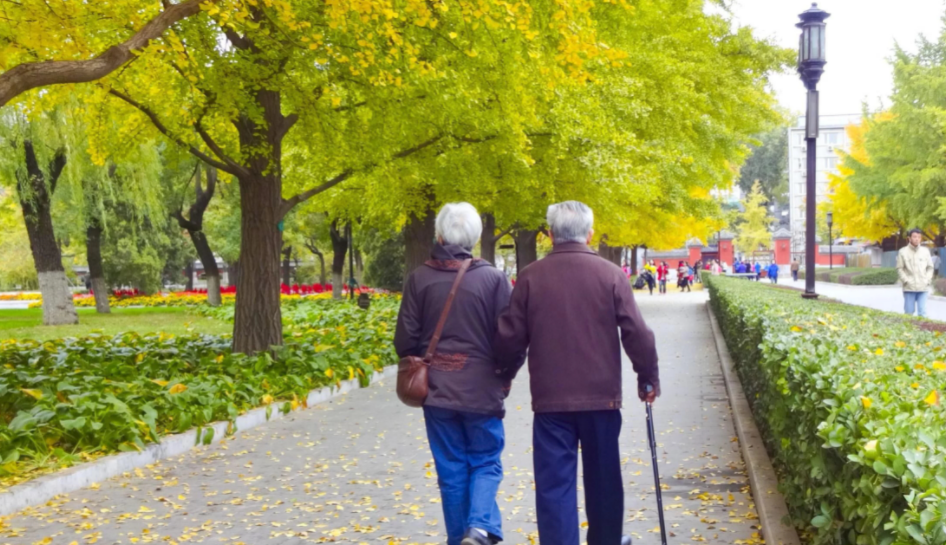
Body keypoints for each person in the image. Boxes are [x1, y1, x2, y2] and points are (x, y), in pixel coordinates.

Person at [495, 201, 659, 545]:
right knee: (604, 481)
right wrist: (647, 377)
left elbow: (511, 337)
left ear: (551, 234)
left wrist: (504, 373)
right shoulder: (611, 274)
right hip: (602, 399)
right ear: (590, 233)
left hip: (551, 401)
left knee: (555, 486)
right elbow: (637, 333)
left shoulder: (530, 277)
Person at [394, 202, 522, 545]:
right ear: (476, 237)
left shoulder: (419, 278)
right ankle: (480, 528)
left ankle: (462, 539)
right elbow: (510, 338)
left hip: (436, 390)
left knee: (451, 472)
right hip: (481, 389)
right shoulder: (493, 279)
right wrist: (505, 374)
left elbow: (405, 340)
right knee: (485, 462)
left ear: (438, 235)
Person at [897, 228, 935, 318]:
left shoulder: (925, 251)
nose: (917, 239)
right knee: (908, 314)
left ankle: (923, 331)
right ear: (909, 238)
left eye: (919, 237)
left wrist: (927, 280)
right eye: (914, 237)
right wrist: (906, 281)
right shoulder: (902, 252)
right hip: (909, 288)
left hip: (923, 287)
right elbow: (899, 268)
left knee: (922, 313)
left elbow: (930, 267)